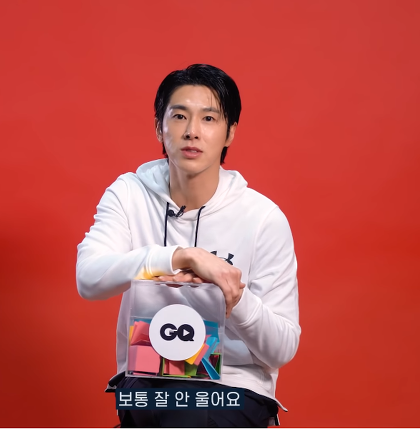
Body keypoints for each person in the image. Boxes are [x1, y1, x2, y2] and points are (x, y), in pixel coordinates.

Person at [76, 64, 300, 427]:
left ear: (230, 132)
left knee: (190, 416)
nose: (192, 131)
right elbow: (88, 279)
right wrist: (179, 257)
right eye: (179, 116)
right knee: (171, 410)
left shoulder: (263, 218)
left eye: (208, 118)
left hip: (233, 386)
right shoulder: (129, 194)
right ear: (159, 128)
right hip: (148, 378)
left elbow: (282, 349)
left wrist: (233, 296)